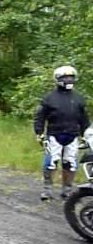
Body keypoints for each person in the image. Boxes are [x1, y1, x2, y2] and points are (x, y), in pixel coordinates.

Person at [33, 65, 90, 200]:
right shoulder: (49, 98)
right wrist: (39, 132)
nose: (69, 80)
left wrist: (86, 134)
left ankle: (67, 190)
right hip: (54, 134)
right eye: (65, 77)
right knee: (51, 163)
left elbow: (84, 118)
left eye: (71, 77)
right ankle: (47, 190)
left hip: (73, 134)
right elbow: (40, 116)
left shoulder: (78, 98)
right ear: (58, 79)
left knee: (70, 163)